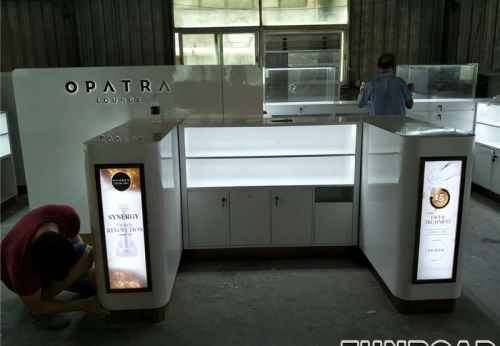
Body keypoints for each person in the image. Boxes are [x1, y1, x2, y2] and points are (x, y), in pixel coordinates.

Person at [1, 204, 109, 329]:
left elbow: (76, 241)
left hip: (44, 259)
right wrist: (82, 306)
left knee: (88, 281)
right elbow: (33, 306)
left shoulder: (66, 215)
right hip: (14, 278)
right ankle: (42, 309)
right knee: (37, 305)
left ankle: (50, 297)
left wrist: (88, 269)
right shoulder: (21, 266)